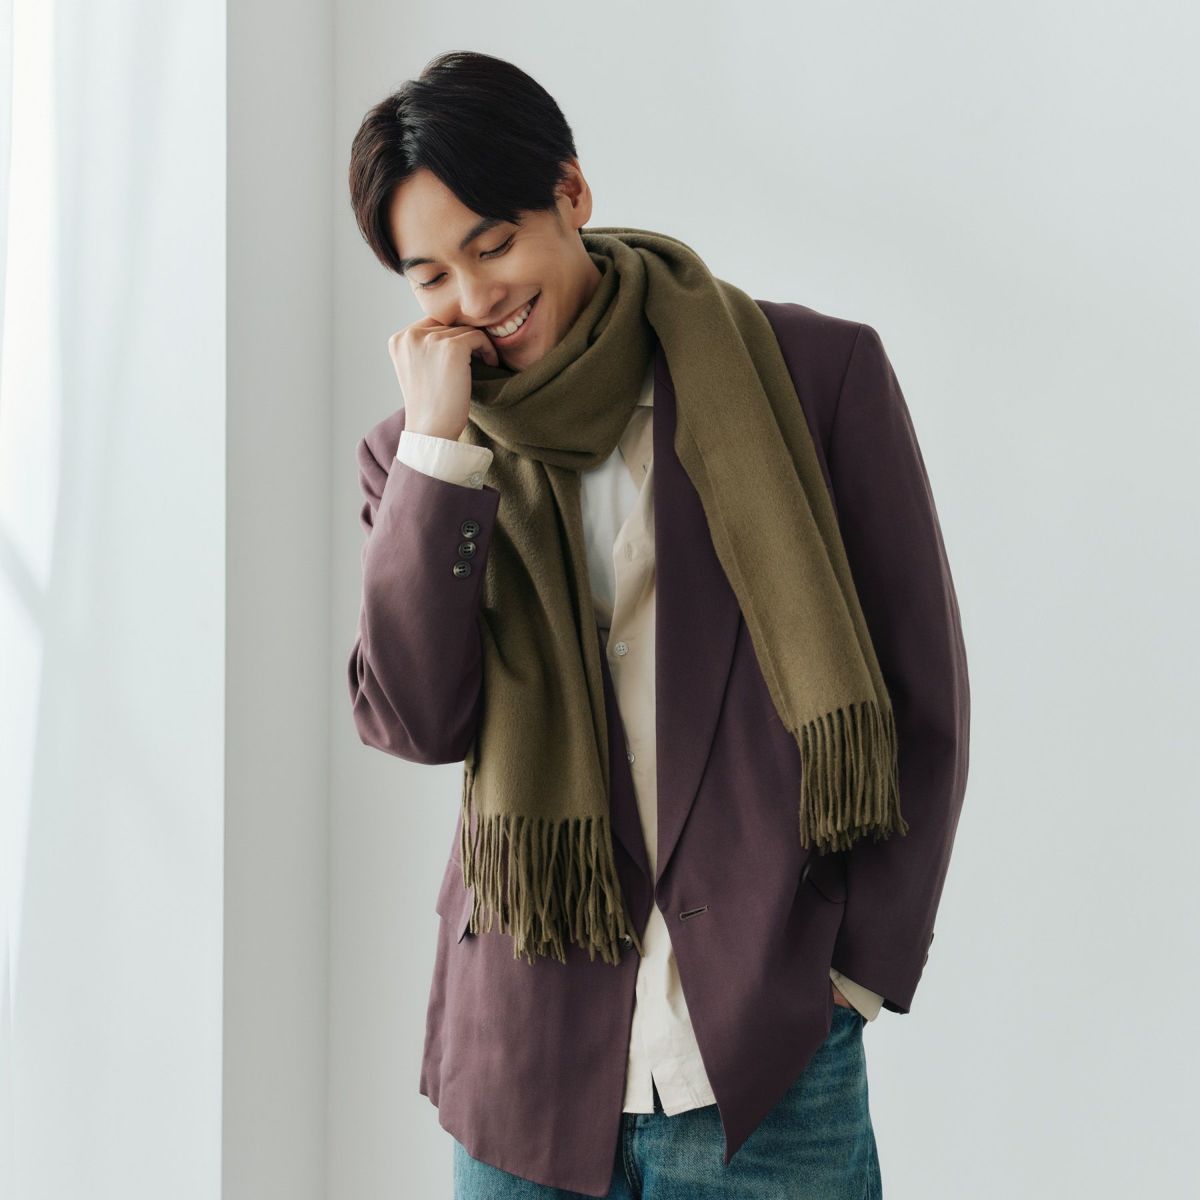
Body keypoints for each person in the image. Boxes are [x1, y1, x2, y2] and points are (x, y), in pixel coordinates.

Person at [346, 50, 970, 1200]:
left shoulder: (812, 376)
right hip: (522, 1067)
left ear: (571, 193)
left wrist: (855, 977)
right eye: (430, 276)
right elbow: (412, 718)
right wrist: (440, 456)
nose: (474, 300)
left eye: (493, 245)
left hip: (767, 1062)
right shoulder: (420, 456)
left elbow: (922, 694)